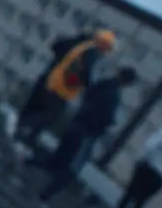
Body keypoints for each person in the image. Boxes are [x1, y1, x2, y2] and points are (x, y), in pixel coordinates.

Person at [37, 67, 138, 205]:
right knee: (71, 169)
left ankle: (28, 162)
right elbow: (105, 116)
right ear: (127, 83)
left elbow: (87, 96)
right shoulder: (113, 94)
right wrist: (107, 122)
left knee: (58, 159)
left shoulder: (102, 84)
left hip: (78, 123)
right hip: (87, 133)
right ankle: (44, 196)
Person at [14, 29, 117, 159]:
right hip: (61, 89)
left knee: (43, 112)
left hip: (54, 82)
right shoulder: (91, 51)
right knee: (49, 116)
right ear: (102, 43)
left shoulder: (83, 46)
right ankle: (25, 130)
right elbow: (85, 71)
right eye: (107, 47)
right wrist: (89, 87)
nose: (106, 51)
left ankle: (25, 135)